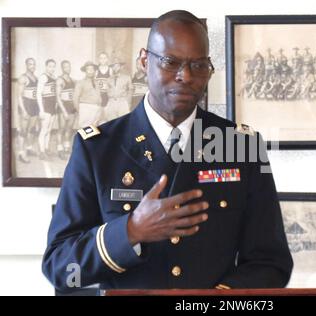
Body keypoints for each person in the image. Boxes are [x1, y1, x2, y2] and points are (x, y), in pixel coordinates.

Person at [43, 10, 292, 292]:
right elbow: (61, 267)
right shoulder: (98, 149)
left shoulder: (241, 147)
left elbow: (271, 263)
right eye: (170, 62)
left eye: (198, 65)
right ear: (144, 61)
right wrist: (130, 231)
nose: (185, 76)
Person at [16, 57, 40, 163]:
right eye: (30, 64)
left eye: (34, 64)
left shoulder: (35, 77)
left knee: (32, 129)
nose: (32, 66)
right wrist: (24, 110)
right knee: (23, 131)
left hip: (34, 105)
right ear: (26, 65)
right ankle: (21, 153)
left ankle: (29, 148)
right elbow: (19, 96)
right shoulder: (23, 78)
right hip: (26, 105)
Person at [36, 59, 57, 160]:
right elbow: (39, 94)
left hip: (53, 106)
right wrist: (41, 110)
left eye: (53, 66)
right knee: (44, 130)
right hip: (46, 106)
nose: (52, 68)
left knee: (49, 129)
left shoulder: (54, 77)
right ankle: (42, 151)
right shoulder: (43, 77)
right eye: (50, 66)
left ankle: (46, 148)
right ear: (46, 66)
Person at [56, 60, 77, 160]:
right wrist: (63, 111)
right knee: (61, 129)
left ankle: (66, 147)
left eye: (69, 67)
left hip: (71, 107)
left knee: (69, 129)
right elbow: (58, 97)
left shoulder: (72, 80)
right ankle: (59, 149)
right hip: (63, 107)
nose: (67, 69)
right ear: (62, 68)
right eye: (65, 67)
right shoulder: (59, 80)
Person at [73, 61, 102, 128]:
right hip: (85, 109)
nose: (91, 71)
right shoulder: (80, 83)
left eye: (92, 69)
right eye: (88, 69)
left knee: (93, 132)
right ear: (85, 71)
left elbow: (99, 97)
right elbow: (75, 99)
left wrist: (99, 108)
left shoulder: (96, 82)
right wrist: (80, 111)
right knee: (85, 131)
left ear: (94, 70)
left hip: (96, 109)